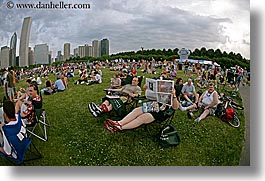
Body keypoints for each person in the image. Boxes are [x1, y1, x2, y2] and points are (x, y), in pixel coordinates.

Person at [103, 88, 179, 133]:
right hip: (153, 105)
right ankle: (119, 123)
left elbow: (175, 107)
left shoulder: (174, 96)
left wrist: (174, 95)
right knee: (136, 110)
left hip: (161, 113)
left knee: (142, 117)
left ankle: (120, 128)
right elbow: (149, 98)